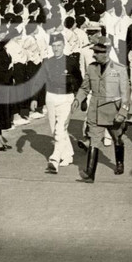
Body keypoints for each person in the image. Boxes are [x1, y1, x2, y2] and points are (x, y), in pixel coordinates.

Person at [73, 39, 130, 183]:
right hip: (95, 110)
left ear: (107, 52)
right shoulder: (91, 68)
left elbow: (125, 94)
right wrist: (78, 99)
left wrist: (122, 113)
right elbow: (84, 88)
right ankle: (90, 174)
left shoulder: (119, 69)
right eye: (94, 51)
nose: (94, 55)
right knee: (94, 141)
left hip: (113, 111)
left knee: (117, 138)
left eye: (98, 52)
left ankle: (119, 163)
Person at [42, 32, 83, 174]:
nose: (56, 48)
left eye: (59, 45)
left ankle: (54, 159)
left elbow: (79, 79)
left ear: (64, 45)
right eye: (53, 46)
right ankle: (68, 154)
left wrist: (80, 98)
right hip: (51, 97)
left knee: (60, 129)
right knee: (56, 130)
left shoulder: (71, 62)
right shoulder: (47, 62)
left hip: (66, 98)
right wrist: (36, 99)